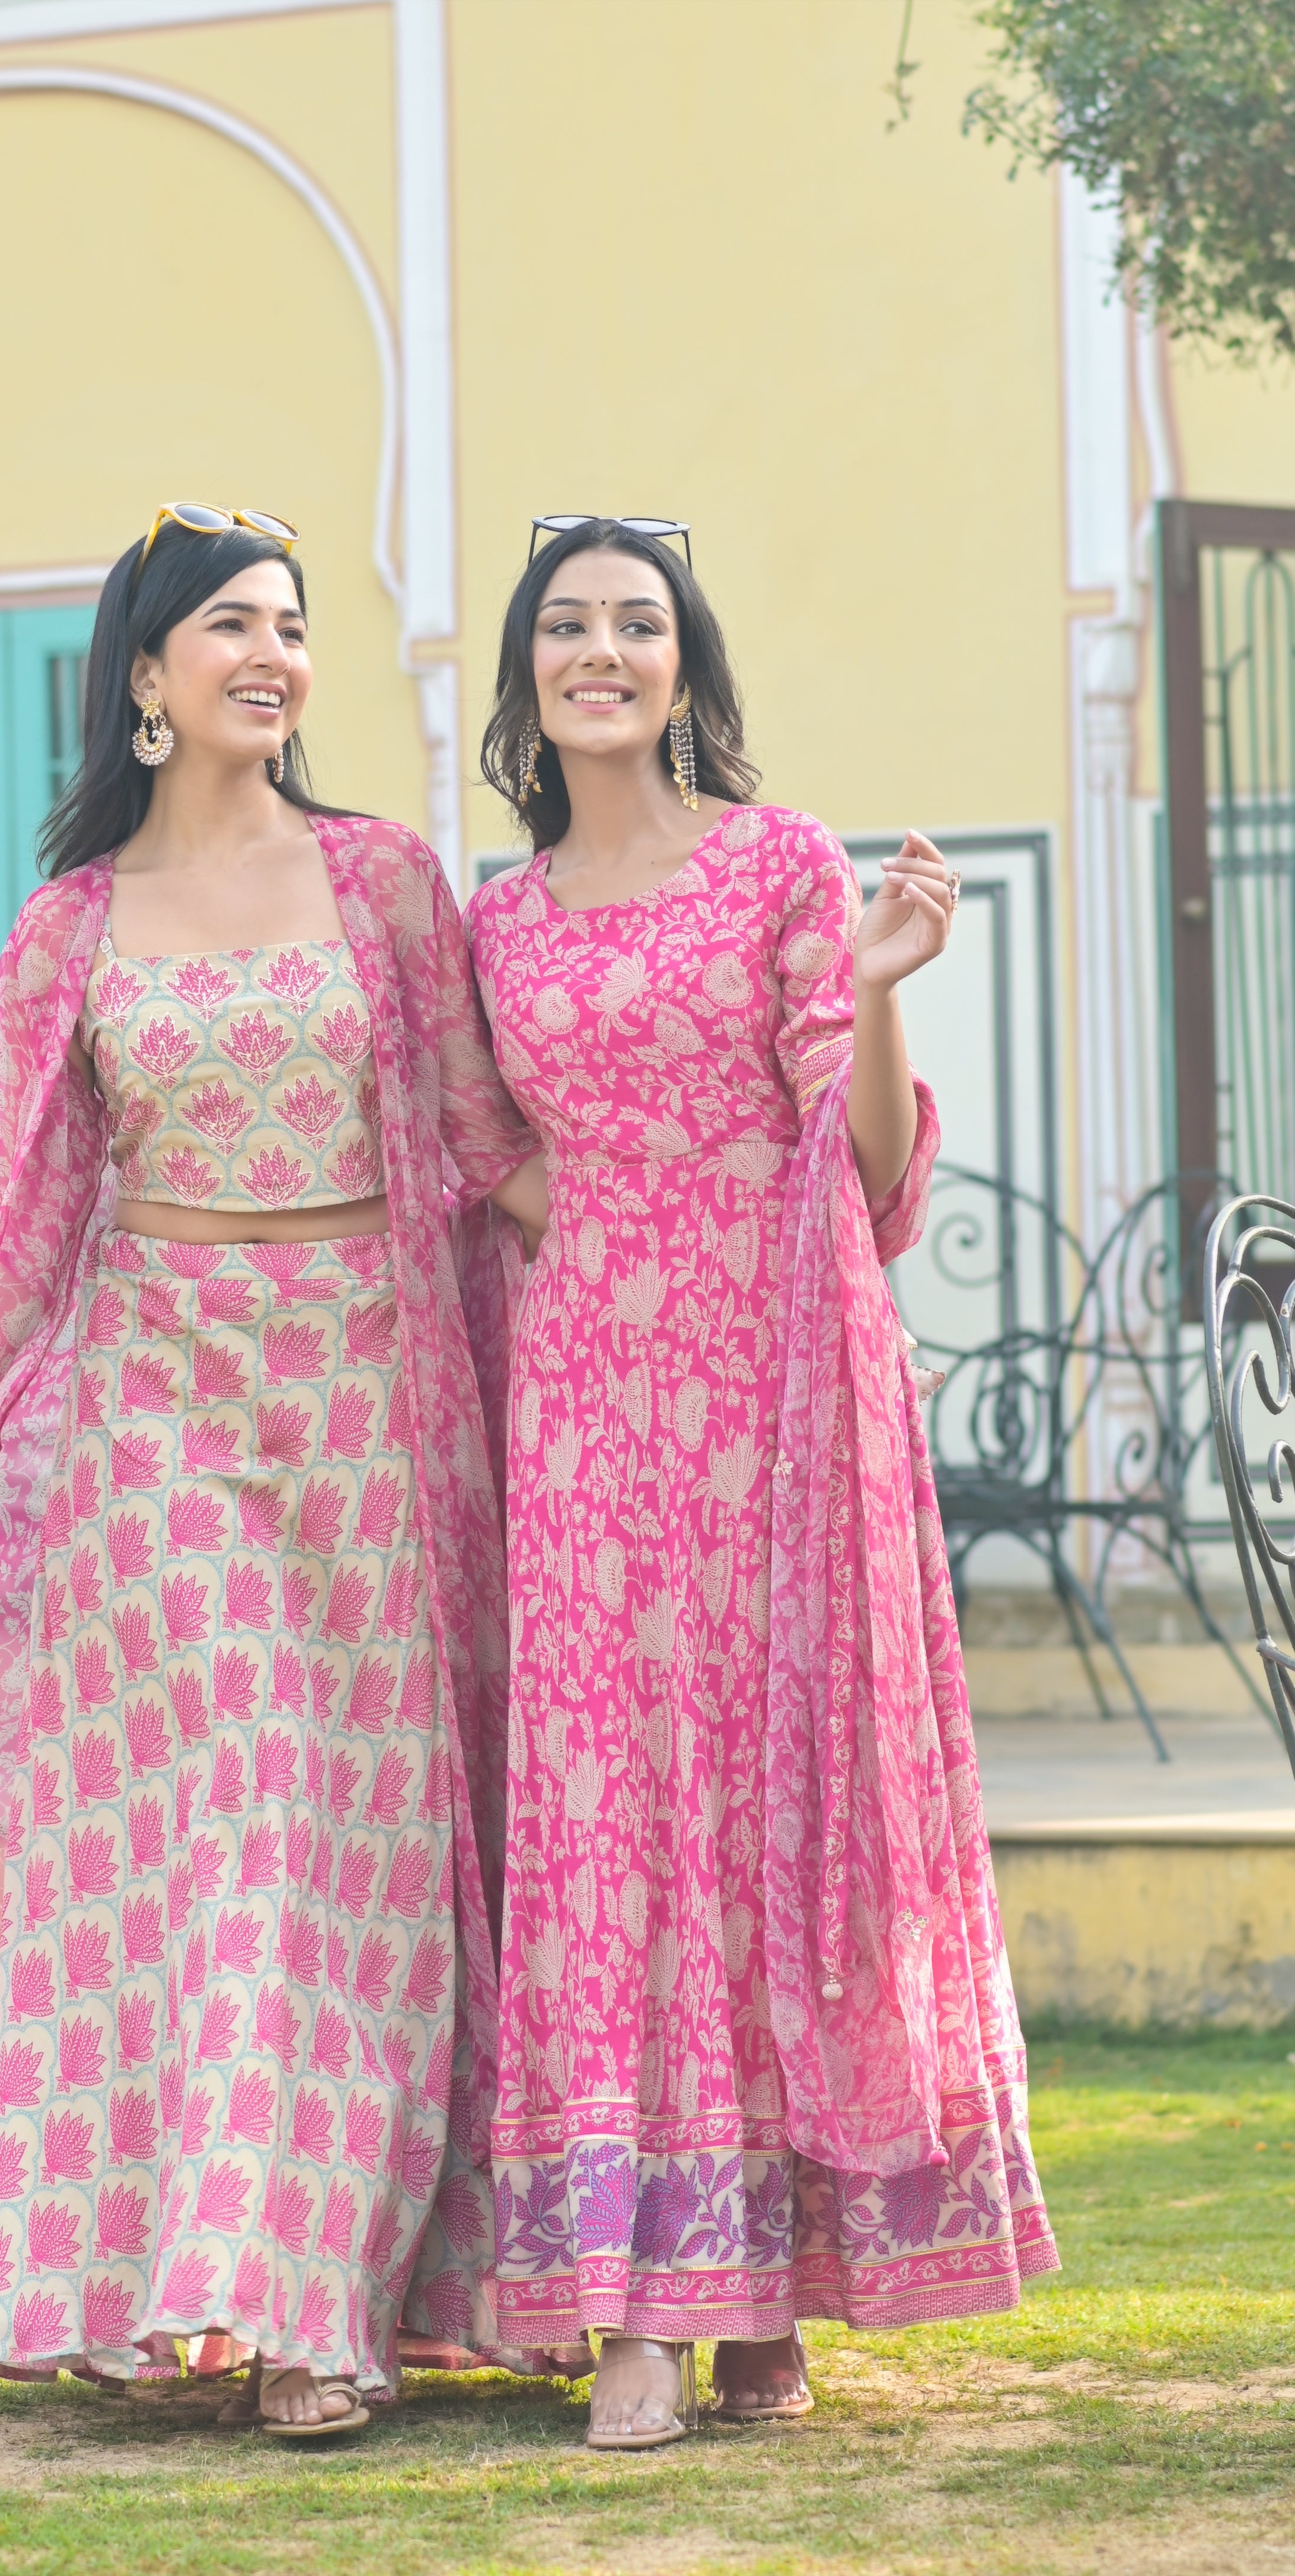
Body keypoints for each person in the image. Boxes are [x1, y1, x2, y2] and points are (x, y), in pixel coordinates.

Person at [0, 509, 544, 2437]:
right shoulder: (65, 930)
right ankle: (205, 2290)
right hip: (157, 1429)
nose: (272, 655)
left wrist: (719, 1257)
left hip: (371, 1425)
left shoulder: (386, 887)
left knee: (341, 1858)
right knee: (223, 1837)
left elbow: (486, 1150)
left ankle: (314, 2300)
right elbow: (25, 1238)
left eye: (293, 629)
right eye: (230, 625)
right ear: (144, 674)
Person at [464, 517, 1058, 2451]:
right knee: (604, 1825)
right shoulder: (497, 918)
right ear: (529, 675)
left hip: (785, 1387)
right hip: (585, 1409)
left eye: (637, 622)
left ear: (682, 662)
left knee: (765, 1812)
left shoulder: (784, 866)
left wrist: (883, 983)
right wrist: (612, 1253)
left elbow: (871, 1179)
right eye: (567, 625)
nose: (602, 651)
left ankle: (767, 2297)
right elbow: (494, 1158)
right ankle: (638, 2305)